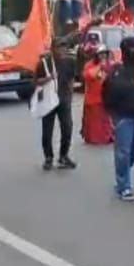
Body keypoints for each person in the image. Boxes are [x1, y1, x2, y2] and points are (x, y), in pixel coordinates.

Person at [103, 36, 134, 201]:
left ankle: (122, 172)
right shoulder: (117, 70)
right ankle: (124, 186)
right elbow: (116, 90)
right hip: (123, 115)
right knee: (123, 151)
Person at [37, 42, 78, 171]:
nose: (61, 51)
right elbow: (37, 81)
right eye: (59, 48)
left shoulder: (70, 61)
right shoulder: (44, 63)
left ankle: (63, 156)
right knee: (47, 131)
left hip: (64, 99)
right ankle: (48, 157)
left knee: (67, 128)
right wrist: (49, 78)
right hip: (49, 100)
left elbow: (71, 79)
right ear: (52, 49)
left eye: (63, 48)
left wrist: (70, 96)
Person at [81, 45, 115, 145]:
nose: (103, 56)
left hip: (106, 97)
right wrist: (100, 66)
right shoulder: (89, 65)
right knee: (94, 121)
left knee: (106, 120)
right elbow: (89, 75)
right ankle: (95, 138)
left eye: (105, 54)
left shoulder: (110, 65)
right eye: (101, 54)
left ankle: (108, 136)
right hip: (93, 98)